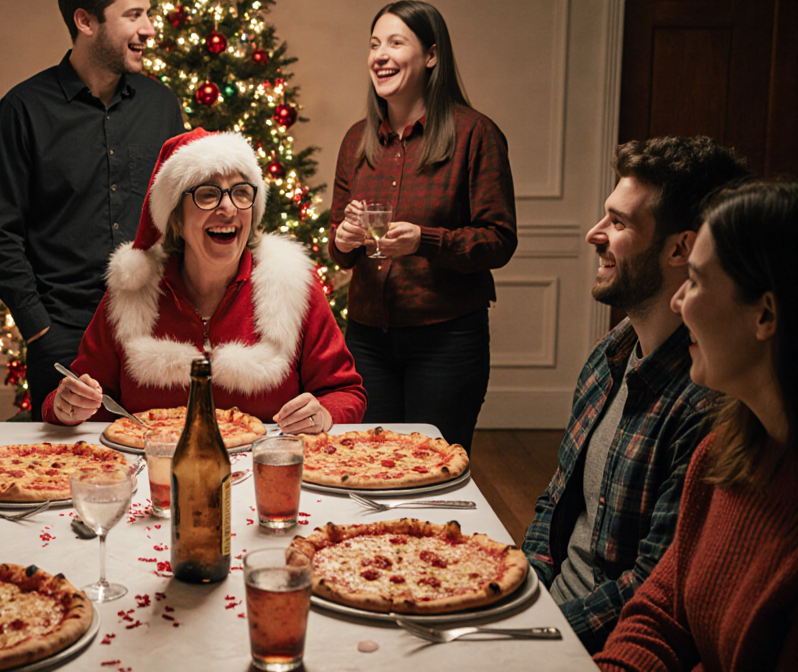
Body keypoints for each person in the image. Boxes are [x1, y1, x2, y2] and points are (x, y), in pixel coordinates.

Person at [521, 136, 750, 653]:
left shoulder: (703, 405)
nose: (593, 234)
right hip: (541, 614)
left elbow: (651, 589)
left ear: (680, 249)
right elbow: (554, 504)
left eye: (619, 223)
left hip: (594, 644)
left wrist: (536, 639)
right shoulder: (608, 356)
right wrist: (514, 590)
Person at [595, 181, 798, 670]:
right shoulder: (721, 454)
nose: (678, 301)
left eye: (698, 281)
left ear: (765, 314)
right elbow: (662, 613)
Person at [44, 129, 366, 432]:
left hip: (260, 480)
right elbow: (79, 400)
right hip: (152, 479)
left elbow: (346, 392)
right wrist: (67, 405)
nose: (228, 208)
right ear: (177, 218)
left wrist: (324, 414)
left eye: (241, 193)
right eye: (208, 194)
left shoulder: (292, 285)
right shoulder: (132, 292)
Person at [0, 0, 185, 419]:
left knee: (159, 462)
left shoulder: (162, 106)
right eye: (133, 15)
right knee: (68, 473)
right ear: (85, 20)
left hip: (153, 327)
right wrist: (39, 329)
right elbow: (1, 232)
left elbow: (179, 219)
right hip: (63, 332)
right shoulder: (23, 110)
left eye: (147, 12)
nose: (148, 28)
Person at [329, 0, 517, 452]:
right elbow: (340, 246)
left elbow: (499, 240)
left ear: (431, 55)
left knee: (434, 468)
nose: (380, 55)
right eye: (375, 44)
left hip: (447, 341)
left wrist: (423, 240)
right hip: (368, 339)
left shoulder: (475, 135)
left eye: (396, 42)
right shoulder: (357, 138)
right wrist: (344, 239)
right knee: (372, 465)